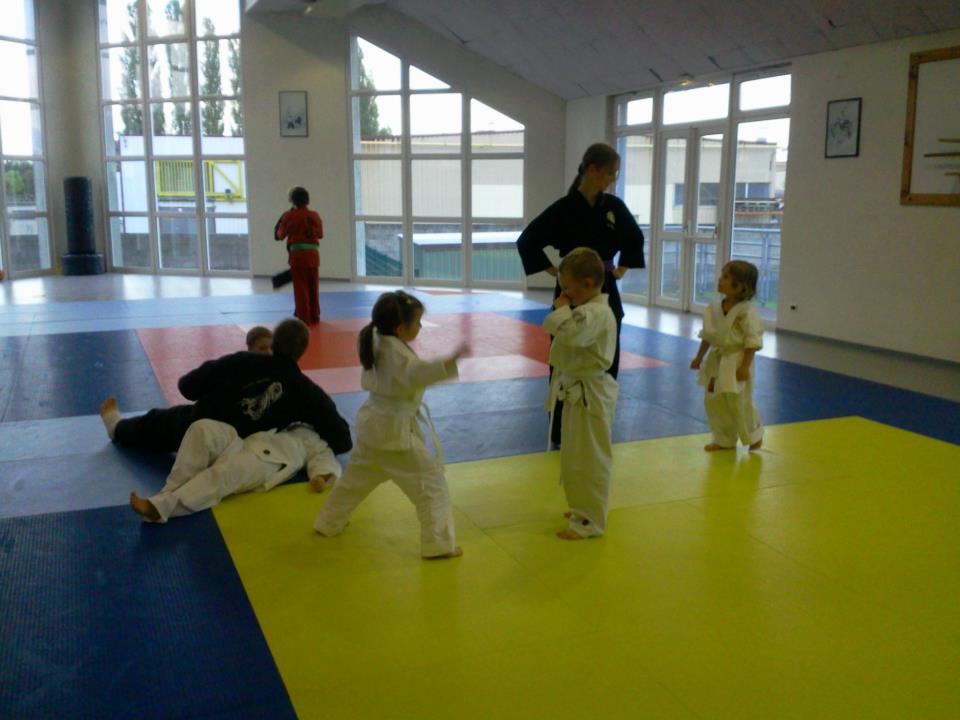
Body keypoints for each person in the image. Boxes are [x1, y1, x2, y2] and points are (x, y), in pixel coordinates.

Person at [313, 291, 467, 559]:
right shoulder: (400, 356)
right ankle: (438, 545)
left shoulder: (374, 337)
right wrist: (449, 362)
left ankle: (328, 522)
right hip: (395, 435)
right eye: (417, 322)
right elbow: (416, 375)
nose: (419, 327)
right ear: (400, 328)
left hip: (373, 426)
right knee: (431, 485)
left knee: (354, 481)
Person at [517, 143, 644, 444]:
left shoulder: (613, 208)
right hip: (571, 289)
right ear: (593, 170)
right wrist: (557, 273)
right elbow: (528, 241)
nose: (613, 178)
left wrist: (621, 269)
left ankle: (599, 418)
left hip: (605, 289)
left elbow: (635, 237)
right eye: (611, 172)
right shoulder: (564, 208)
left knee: (606, 356)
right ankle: (560, 428)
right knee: (563, 354)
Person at [100, 318, 352, 457]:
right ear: (303, 352)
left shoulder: (241, 361)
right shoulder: (307, 392)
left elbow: (186, 386)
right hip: (247, 453)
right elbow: (342, 440)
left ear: (273, 343)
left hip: (201, 431)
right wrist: (299, 427)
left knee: (160, 421)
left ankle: (117, 428)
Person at [543, 248, 619, 540]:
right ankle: (582, 507)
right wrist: (565, 308)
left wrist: (560, 308)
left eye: (566, 288)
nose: (563, 294)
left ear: (588, 284)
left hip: (591, 392)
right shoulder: (587, 311)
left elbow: (570, 334)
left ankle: (591, 520)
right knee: (574, 455)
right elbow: (567, 332)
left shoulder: (597, 313)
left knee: (590, 457)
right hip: (577, 390)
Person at [129, 419, 341, 524]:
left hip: (268, 460)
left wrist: (320, 478)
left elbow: (323, 458)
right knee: (202, 429)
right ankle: (169, 490)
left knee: (223, 475)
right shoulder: (287, 418)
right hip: (242, 441)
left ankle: (161, 509)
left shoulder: (311, 439)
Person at [689, 260, 764, 452]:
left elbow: (751, 342)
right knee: (714, 400)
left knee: (738, 400)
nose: (720, 280)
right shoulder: (713, 308)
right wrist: (698, 358)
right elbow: (708, 336)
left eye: (726, 277)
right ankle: (723, 439)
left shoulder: (747, 312)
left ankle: (754, 435)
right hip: (716, 359)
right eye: (721, 275)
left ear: (740, 285)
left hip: (737, 360)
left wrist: (744, 368)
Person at [275, 186, 322, 325]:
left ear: (292, 201)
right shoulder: (315, 215)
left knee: (301, 288)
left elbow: (280, 235)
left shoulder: (289, 216)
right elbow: (320, 233)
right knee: (313, 286)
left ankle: (304, 319)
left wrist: (281, 227)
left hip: (298, 256)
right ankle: (315, 316)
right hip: (313, 255)